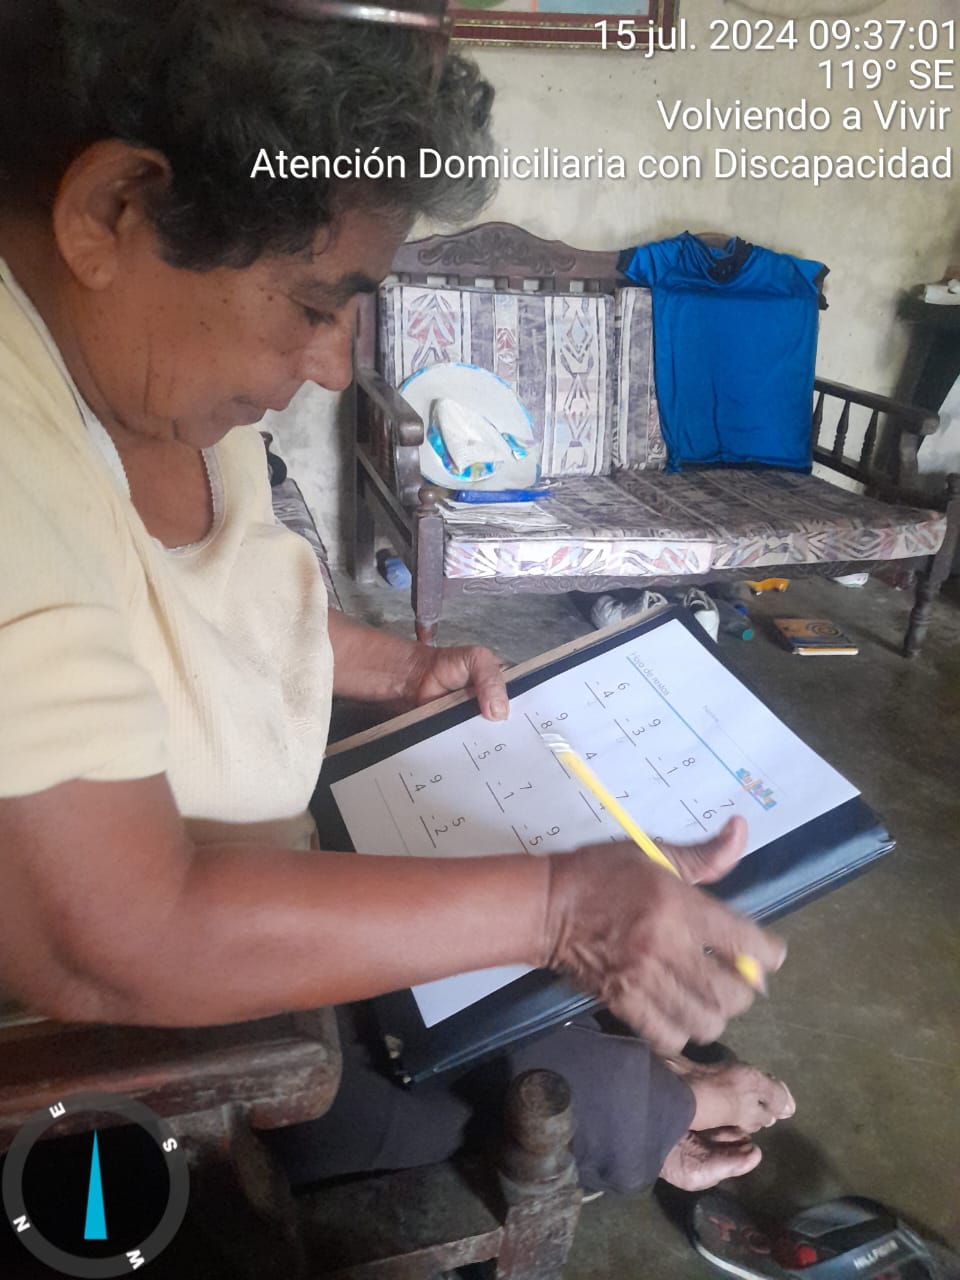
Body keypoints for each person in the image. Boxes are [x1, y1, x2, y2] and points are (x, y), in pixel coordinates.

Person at [0, 0, 794, 1197]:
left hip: (275, 854)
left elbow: (195, 618)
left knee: (546, 967)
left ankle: (628, 1068)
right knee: (496, 1071)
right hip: (177, 1037)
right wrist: (558, 909)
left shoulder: (144, 365)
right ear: (113, 209)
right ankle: (651, 1108)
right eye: (314, 304)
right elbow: (116, 939)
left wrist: (393, 665)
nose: (333, 364)